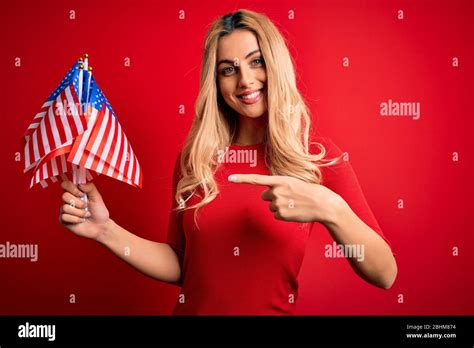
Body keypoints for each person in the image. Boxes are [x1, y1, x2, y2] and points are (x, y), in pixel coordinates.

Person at [59, 9, 397, 315]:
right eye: (228, 70)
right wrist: (105, 230)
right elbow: (182, 263)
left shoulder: (314, 156)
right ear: (216, 82)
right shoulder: (197, 158)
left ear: (275, 64)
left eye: (257, 61)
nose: (246, 81)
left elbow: (385, 275)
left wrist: (329, 207)